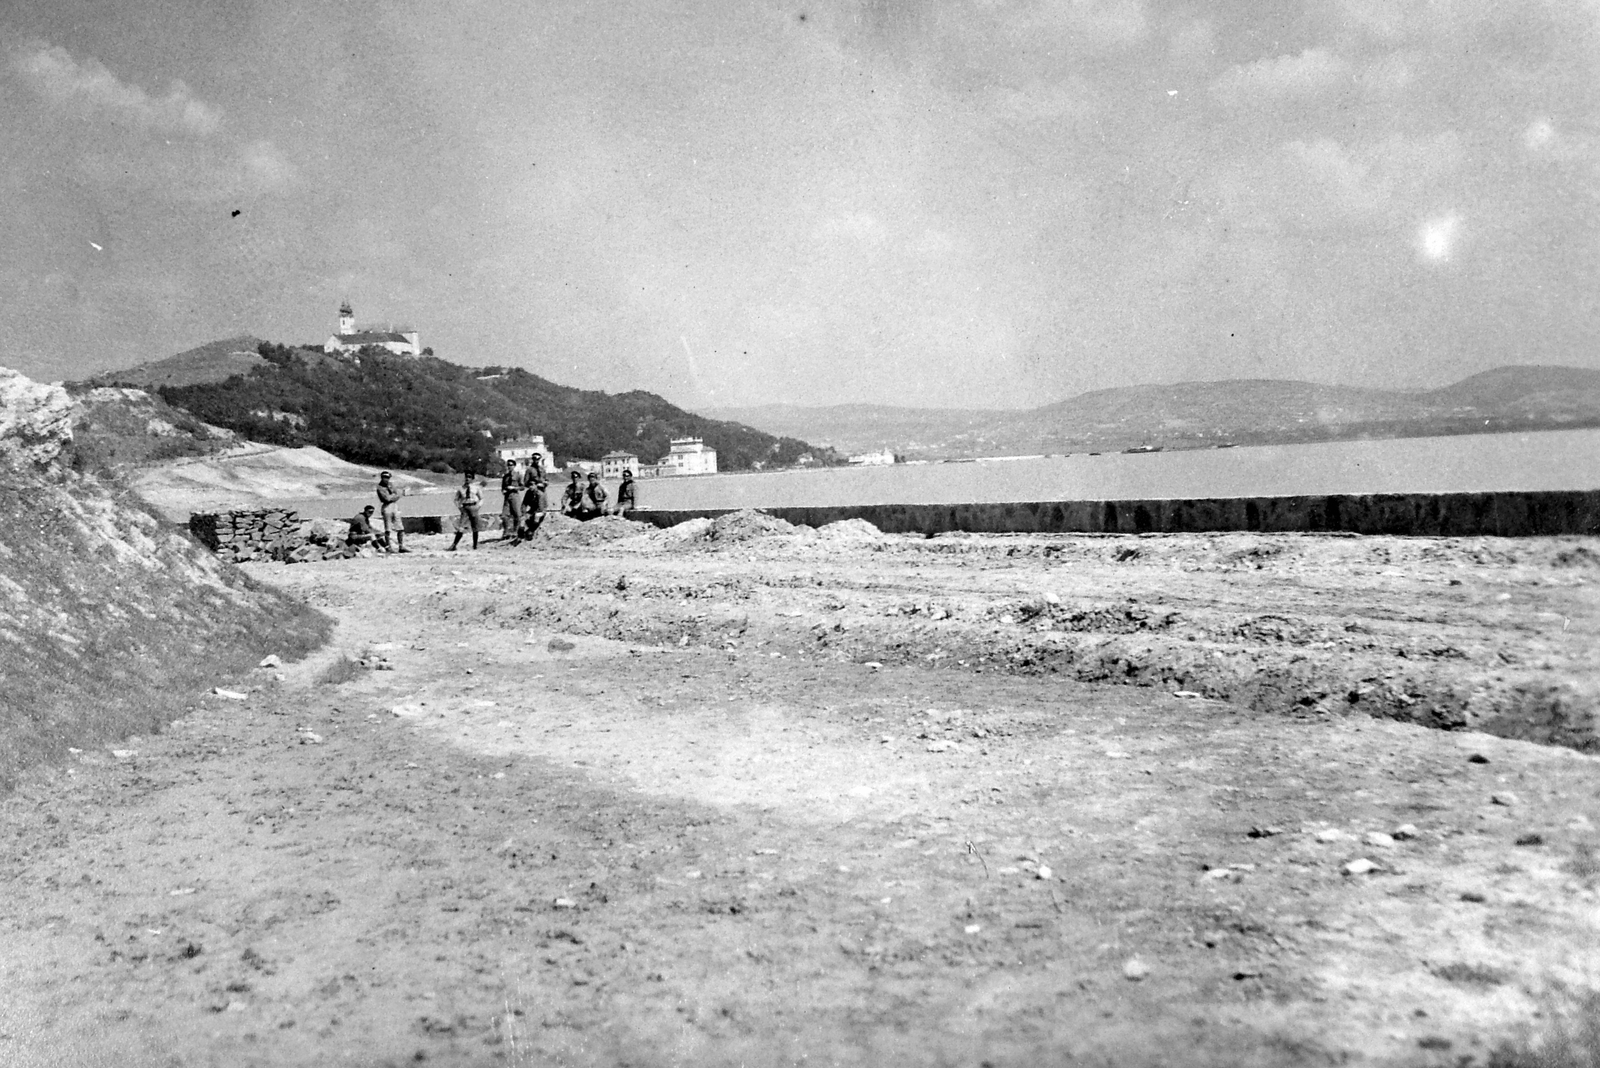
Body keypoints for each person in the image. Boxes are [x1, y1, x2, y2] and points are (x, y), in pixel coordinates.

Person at [375, 471, 408, 553]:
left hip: (394, 506)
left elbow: (395, 494)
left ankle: (401, 546)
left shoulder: (391, 485)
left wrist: (395, 496)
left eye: (388, 478)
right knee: (388, 529)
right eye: (385, 477)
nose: (386, 479)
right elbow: (386, 499)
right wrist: (397, 495)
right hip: (387, 507)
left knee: (400, 527)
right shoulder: (379, 487)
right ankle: (388, 547)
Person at [449, 472, 483, 551]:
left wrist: (478, 506)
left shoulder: (476, 488)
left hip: (474, 507)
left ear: (472, 479)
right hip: (465, 507)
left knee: (475, 527)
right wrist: (459, 507)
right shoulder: (461, 488)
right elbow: (456, 499)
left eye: (469, 477)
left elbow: (481, 498)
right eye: (466, 477)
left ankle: (475, 545)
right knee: (461, 527)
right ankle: (454, 545)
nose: (467, 479)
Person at [499, 459, 526, 543]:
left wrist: (514, 488)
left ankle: (515, 531)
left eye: (511, 465)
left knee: (517, 514)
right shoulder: (505, 476)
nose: (509, 466)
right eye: (508, 465)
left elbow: (522, 487)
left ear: (514, 466)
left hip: (515, 495)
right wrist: (503, 491)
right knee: (504, 515)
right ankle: (506, 532)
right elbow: (503, 487)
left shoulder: (518, 475)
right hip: (507, 496)